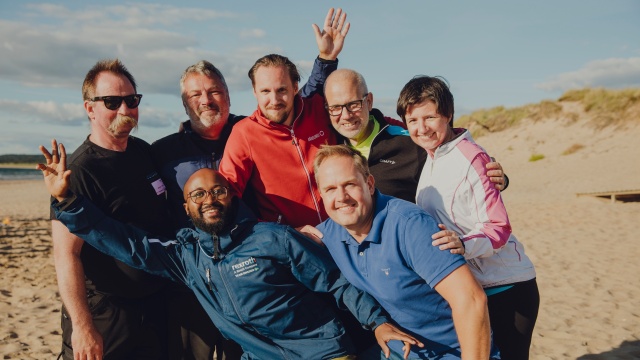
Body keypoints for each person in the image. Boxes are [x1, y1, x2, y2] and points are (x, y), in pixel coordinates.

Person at [38, 140, 424, 360]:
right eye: (198, 195)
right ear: (186, 208)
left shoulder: (275, 238)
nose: (209, 199)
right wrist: (69, 201)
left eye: (218, 190)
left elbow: (337, 284)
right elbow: (128, 243)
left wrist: (377, 323)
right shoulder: (186, 256)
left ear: (232, 196)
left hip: (322, 352)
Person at [150, 8, 349, 359]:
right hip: (259, 255)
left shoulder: (300, 111)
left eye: (213, 91)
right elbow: (224, 197)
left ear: (228, 95)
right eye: (196, 95)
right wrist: (270, 239)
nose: (274, 98)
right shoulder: (232, 136)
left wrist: (326, 59)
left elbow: (329, 103)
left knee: (343, 326)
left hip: (334, 239)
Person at [397, 75, 539, 359]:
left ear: (448, 115)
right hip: (470, 289)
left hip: (506, 287)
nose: (421, 128)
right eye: (413, 121)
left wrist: (461, 244)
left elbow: (497, 228)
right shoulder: (432, 156)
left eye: (430, 117)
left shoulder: (472, 158)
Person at [313, 144, 499, 359]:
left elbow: (471, 299)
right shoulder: (326, 235)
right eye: (330, 189)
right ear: (321, 194)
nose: (342, 197)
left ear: (370, 184)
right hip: (396, 353)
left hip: (452, 352)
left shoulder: (409, 225)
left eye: (350, 184)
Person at [50, 59, 173, 360]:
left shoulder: (144, 152)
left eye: (131, 100)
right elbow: (67, 254)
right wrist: (82, 326)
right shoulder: (79, 171)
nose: (125, 110)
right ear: (90, 108)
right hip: (106, 313)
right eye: (111, 102)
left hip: (154, 308)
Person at [322, 68, 507, 203]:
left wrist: (494, 175)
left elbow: (455, 160)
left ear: (369, 101)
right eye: (336, 107)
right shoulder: (328, 148)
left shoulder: (409, 142)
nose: (345, 115)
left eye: (353, 104)